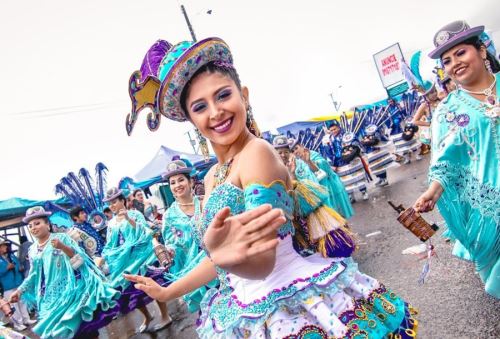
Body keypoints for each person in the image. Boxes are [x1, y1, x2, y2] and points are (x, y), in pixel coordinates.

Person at [124, 37, 417, 338]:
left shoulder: (257, 154)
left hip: (287, 304)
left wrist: (222, 254)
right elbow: (223, 260)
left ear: (244, 96)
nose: (215, 112)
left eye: (223, 95)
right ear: (192, 120)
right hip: (244, 300)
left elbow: (262, 262)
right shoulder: (212, 176)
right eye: (200, 107)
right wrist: (168, 291)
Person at [414, 20, 500, 299]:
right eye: (447, 60)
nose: (454, 64)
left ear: (482, 51)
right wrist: (432, 192)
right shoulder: (447, 112)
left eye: (461, 53)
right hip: (490, 211)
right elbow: (445, 163)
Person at [10, 206, 119, 338]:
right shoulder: (32, 250)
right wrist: (20, 290)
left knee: (86, 332)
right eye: (30, 225)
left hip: (73, 292)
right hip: (51, 298)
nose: (33, 227)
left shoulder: (62, 238)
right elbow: (33, 274)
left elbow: (79, 260)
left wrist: (62, 247)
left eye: (37, 223)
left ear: (47, 224)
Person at [100, 187, 170, 332]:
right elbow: (109, 244)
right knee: (130, 293)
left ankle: (165, 316)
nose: (112, 206)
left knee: (153, 286)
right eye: (110, 203)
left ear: (122, 201)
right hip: (122, 264)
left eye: (114, 202)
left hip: (140, 259)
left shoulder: (134, 214)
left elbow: (144, 230)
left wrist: (127, 218)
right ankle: (147, 316)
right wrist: (105, 257)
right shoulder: (111, 223)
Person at [161, 160, 218, 313]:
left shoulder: (205, 202)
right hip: (195, 273)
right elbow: (170, 243)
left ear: (191, 181)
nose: (177, 185)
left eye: (181, 180)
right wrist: (170, 252)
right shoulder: (169, 216)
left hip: (219, 265)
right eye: (172, 182)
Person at [292, 141, 354, 219]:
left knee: (337, 216)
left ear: (301, 146)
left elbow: (322, 171)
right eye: (292, 151)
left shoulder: (313, 155)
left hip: (328, 189)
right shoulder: (296, 163)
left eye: (296, 148)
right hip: (314, 195)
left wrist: (308, 162)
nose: (295, 152)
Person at [0, 240, 34, 331]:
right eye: (3, 246)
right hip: (7, 286)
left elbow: (18, 263)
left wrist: (20, 267)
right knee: (13, 305)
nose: (5, 247)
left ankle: (26, 319)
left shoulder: (11, 255)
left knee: (22, 302)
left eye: (4, 246)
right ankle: (18, 324)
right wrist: (6, 268)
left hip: (18, 282)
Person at [412, 83, 440, 155]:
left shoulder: (441, 100)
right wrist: (430, 124)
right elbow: (415, 121)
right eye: (431, 92)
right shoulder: (424, 106)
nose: (435, 93)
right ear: (426, 95)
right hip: (436, 135)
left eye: (435, 91)